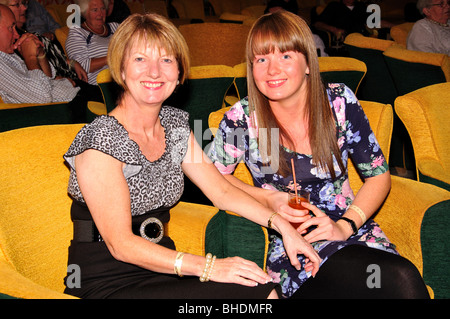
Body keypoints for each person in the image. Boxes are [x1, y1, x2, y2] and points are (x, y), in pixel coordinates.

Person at [62, 12, 321, 299]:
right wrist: (210, 267)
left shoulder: (174, 126)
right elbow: (120, 244)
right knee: (254, 296)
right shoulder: (102, 139)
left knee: (261, 290)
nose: (154, 72)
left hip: (162, 264)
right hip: (108, 277)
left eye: (166, 60)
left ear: (179, 71)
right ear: (120, 69)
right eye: (140, 59)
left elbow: (221, 189)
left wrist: (283, 226)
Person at [208, 11, 430, 299]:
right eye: (261, 59)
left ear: (308, 64)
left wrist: (344, 225)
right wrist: (267, 198)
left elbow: (377, 176)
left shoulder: (339, 102)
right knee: (392, 281)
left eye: (286, 56)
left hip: (351, 230)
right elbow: (213, 180)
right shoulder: (243, 118)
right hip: (293, 242)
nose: (272, 70)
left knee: (399, 278)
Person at [0, 5, 82, 109]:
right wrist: (30, 57)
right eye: (11, 28)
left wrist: (40, 55)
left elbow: (47, 80)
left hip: (73, 96)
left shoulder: (9, 55)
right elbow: (42, 98)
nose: (16, 35)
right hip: (65, 110)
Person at [66, 0, 119, 85]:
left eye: (102, 8)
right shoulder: (77, 32)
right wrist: (112, 58)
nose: (100, 13)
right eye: (95, 10)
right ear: (85, 12)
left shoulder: (115, 27)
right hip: (101, 84)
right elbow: (81, 65)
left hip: (124, 76)